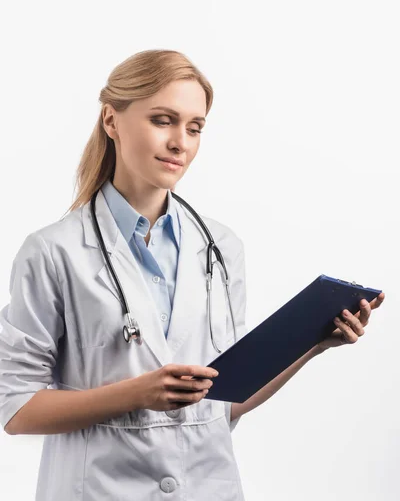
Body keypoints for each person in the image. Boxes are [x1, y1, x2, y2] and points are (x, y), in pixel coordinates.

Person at [0, 49, 385, 501]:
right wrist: (136, 394)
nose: (181, 142)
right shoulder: (53, 251)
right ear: (111, 121)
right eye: (163, 120)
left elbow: (223, 400)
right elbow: (17, 408)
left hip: (207, 487)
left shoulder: (222, 248)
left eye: (195, 127)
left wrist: (314, 344)